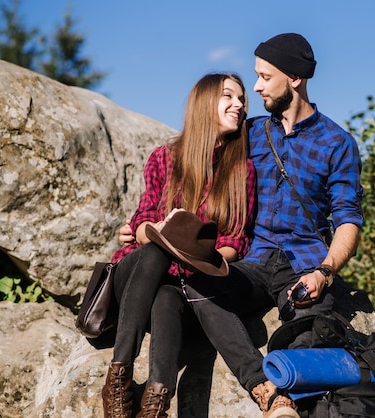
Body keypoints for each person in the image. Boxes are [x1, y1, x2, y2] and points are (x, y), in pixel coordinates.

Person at [182, 33, 364, 418]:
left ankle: (295, 398)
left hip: (304, 265)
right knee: (198, 284)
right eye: (257, 76)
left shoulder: (338, 143)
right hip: (254, 260)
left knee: (309, 332)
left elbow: (348, 217)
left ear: (294, 79)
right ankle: (264, 389)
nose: (257, 87)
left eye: (265, 77)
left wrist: (325, 273)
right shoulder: (249, 135)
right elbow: (196, 164)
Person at [102, 73, 256, 418]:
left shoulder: (241, 170)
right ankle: (119, 374)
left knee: (168, 295)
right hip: (136, 276)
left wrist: (201, 257)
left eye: (242, 99)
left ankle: (155, 403)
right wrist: (159, 233)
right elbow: (141, 225)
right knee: (157, 250)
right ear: (204, 103)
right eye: (228, 96)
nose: (239, 105)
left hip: (184, 286)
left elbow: (236, 242)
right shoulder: (165, 157)